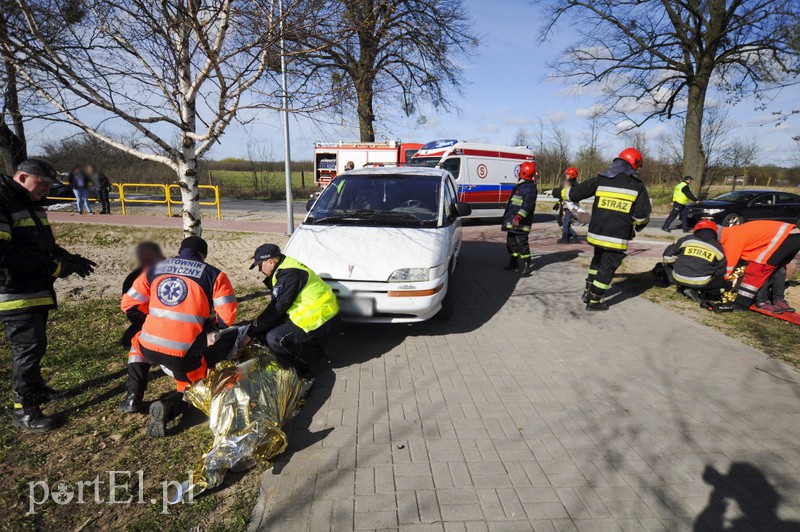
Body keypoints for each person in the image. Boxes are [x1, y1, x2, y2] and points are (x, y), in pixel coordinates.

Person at [0, 159, 96, 432]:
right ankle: (24, 409)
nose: (46, 190)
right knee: (28, 348)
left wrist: (68, 258)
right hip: (13, 290)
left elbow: (44, 245)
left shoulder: (29, 202)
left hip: (34, 287)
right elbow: (3, 253)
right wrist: (53, 267)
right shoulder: (4, 201)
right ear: (21, 177)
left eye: (48, 185)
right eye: (41, 184)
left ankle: (37, 390)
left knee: (36, 344)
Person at [120, 236, 238, 436]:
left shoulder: (154, 268)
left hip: (149, 344)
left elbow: (128, 304)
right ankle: (167, 408)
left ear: (180, 251)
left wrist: (150, 320)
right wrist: (209, 326)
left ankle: (133, 396)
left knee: (136, 344)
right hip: (185, 352)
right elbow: (227, 317)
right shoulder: (214, 275)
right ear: (203, 255)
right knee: (192, 387)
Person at [552, 148, 651, 310]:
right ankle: (594, 301)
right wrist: (638, 227)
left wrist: (556, 192)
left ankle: (587, 291)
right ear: (633, 165)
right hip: (616, 236)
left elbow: (574, 193)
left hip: (596, 233)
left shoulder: (602, 178)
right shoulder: (637, 186)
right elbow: (642, 216)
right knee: (608, 267)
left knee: (597, 260)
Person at [241, 243, 338, 373]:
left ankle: (305, 368)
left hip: (322, 319)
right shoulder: (285, 267)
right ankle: (312, 352)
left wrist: (250, 333)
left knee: (275, 338)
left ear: (270, 262)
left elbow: (277, 309)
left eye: (260, 265)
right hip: (315, 313)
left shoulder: (289, 274)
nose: (259, 270)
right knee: (265, 329)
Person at [119, 242, 165, 413]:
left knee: (136, 345)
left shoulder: (135, 278)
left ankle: (133, 396)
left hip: (150, 326)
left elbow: (129, 308)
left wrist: (147, 323)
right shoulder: (174, 272)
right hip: (183, 328)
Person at [720, 220, 800, 310]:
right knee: (779, 269)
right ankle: (778, 299)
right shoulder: (738, 230)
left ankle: (759, 301)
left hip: (785, 238)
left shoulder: (732, 238)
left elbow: (730, 263)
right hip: (792, 235)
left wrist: (723, 278)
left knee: (760, 269)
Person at [662, 219, 730, 302]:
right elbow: (720, 271)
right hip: (702, 283)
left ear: (696, 229)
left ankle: (684, 287)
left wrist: (677, 265)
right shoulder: (718, 247)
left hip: (678, 278)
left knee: (663, 266)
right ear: (715, 232)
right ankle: (701, 293)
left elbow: (667, 257)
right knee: (726, 285)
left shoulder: (685, 240)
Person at [500, 161, 538, 276]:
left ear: (523, 172)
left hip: (521, 222)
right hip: (512, 221)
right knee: (511, 243)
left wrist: (518, 218)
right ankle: (513, 263)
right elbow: (516, 202)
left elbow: (527, 205)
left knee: (522, 245)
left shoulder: (530, 188)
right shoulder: (520, 186)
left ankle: (527, 265)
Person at [555, 167, 579, 244]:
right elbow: (561, 194)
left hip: (570, 207)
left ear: (571, 175)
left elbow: (563, 193)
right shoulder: (567, 183)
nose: (566, 175)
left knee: (565, 222)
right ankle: (572, 235)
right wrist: (558, 204)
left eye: (567, 174)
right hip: (565, 205)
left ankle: (565, 238)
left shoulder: (573, 185)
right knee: (561, 221)